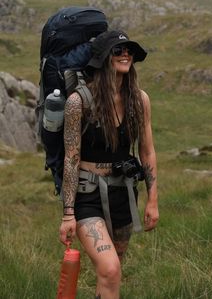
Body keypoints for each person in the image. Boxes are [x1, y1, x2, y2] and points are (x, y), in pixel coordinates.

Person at [59, 30, 159, 299]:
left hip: (124, 193)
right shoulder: (78, 102)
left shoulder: (140, 100)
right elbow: (71, 159)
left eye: (129, 50)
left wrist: (152, 199)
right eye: (118, 50)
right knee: (110, 268)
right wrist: (68, 213)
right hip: (87, 195)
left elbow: (147, 151)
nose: (125, 54)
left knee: (110, 274)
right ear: (103, 58)